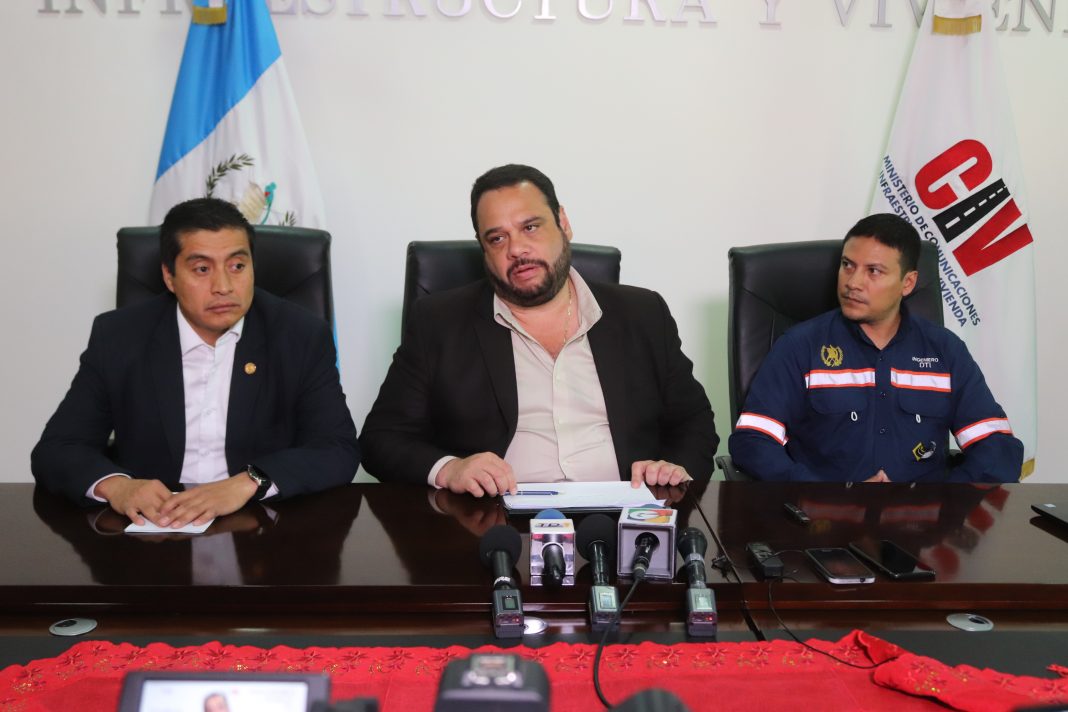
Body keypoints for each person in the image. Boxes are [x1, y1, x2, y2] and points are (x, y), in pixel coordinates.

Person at [360, 164, 718, 496]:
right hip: (494, 522)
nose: (517, 249)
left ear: (563, 223)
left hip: (623, 516)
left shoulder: (643, 313)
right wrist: (450, 469)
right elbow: (382, 439)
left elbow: (694, 422)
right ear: (483, 249)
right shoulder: (439, 323)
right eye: (497, 239)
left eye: (530, 227)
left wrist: (672, 468)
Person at [32, 198, 361, 526]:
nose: (223, 287)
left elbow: (337, 448)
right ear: (169, 277)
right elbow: (58, 448)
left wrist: (250, 481)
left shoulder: (300, 335)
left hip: (261, 524)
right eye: (202, 269)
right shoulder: (119, 336)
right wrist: (118, 486)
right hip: (153, 527)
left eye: (237, 266)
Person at [728, 213, 1023, 482]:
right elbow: (753, 440)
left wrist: (939, 501)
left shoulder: (945, 350)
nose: (853, 282)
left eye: (874, 271)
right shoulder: (800, 345)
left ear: (908, 283)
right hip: (824, 516)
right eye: (847, 265)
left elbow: (997, 447)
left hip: (923, 519)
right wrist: (830, 496)